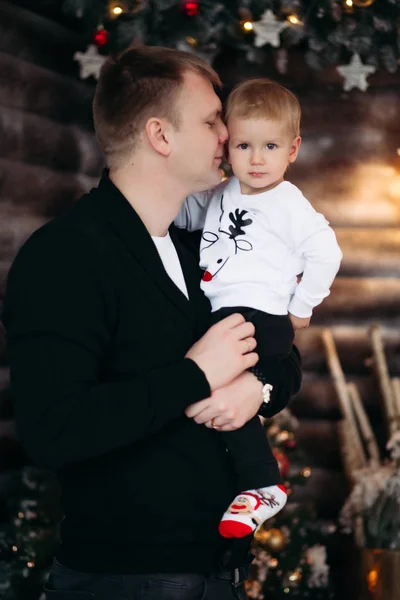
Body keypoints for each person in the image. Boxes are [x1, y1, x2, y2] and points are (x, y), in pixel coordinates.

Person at [1, 48, 302, 600]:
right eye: (212, 120)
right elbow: (52, 429)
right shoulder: (65, 256)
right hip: (124, 581)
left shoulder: (204, 245)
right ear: (160, 136)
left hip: (221, 574)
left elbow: (283, 355)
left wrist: (254, 391)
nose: (227, 133)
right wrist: (196, 375)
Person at [175, 78, 342, 539]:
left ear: (293, 149)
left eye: (270, 145)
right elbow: (185, 215)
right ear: (228, 147)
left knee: (211, 387)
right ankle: (256, 483)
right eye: (244, 145)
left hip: (262, 317)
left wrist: (301, 306)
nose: (256, 158)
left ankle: (261, 481)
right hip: (223, 315)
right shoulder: (223, 192)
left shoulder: (288, 203)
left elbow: (326, 253)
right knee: (214, 397)